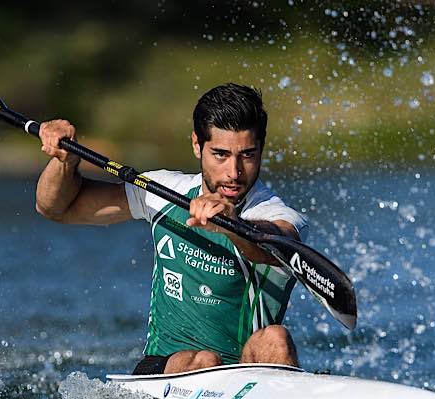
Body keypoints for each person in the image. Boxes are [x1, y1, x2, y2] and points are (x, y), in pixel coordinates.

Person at [35, 83, 307, 375]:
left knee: (275, 338)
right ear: (196, 145)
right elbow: (55, 208)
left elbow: (279, 243)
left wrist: (232, 225)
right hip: (162, 370)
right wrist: (65, 161)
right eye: (220, 154)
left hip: (245, 373)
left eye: (248, 155)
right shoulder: (161, 191)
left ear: (261, 148)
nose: (234, 172)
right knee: (205, 360)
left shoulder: (277, 214)